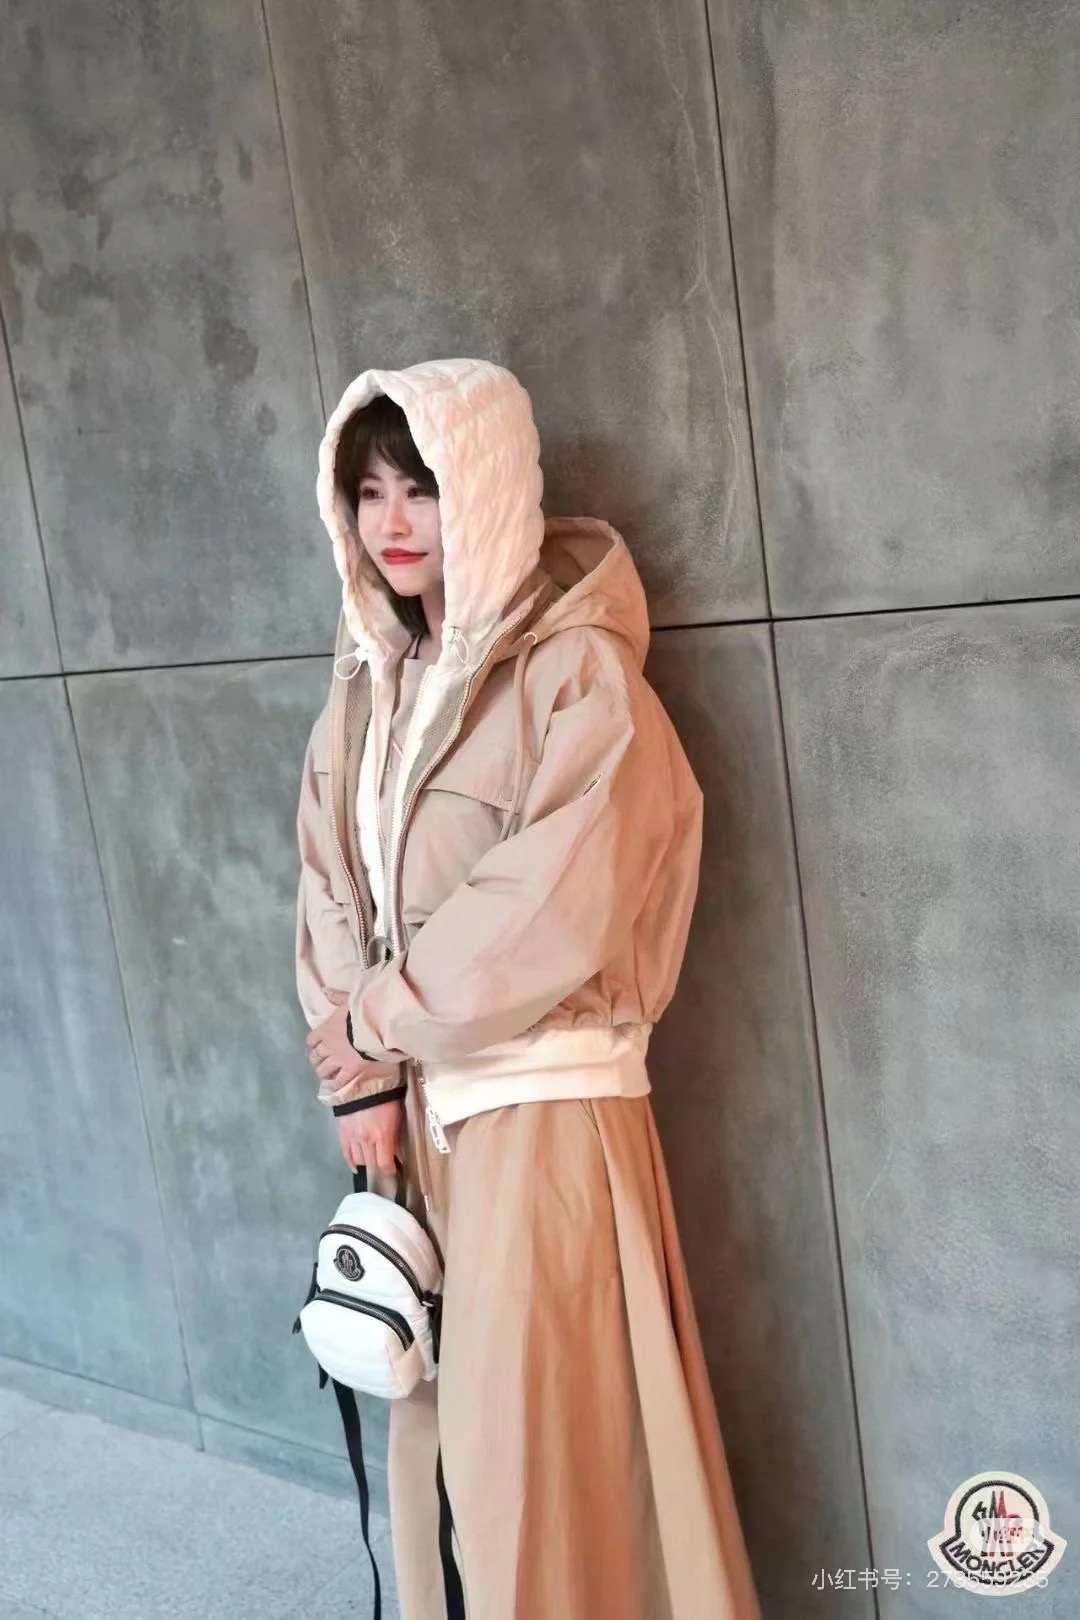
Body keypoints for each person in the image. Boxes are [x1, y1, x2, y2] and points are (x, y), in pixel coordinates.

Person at [296, 358, 761, 1620]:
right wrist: (360, 1077)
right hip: (421, 1117)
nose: (392, 522)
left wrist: (376, 1024)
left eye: (422, 488)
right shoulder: (372, 686)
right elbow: (328, 881)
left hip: (542, 1119)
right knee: (442, 1432)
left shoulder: (575, 674)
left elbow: (556, 897)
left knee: (542, 1451)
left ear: (487, 485)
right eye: (369, 493)